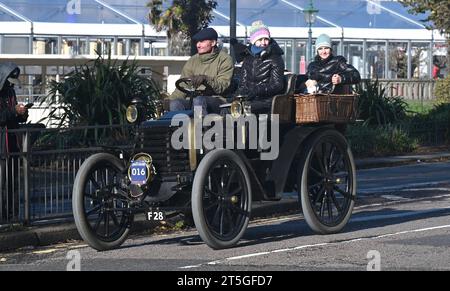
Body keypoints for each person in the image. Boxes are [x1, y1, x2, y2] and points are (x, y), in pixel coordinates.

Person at [169, 27, 234, 114]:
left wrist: (206, 79)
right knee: (175, 104)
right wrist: (169, 101)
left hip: (218, 100)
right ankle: (179, 127)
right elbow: (183, 86)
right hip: (194, 100)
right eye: (197, 42)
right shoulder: (193, 60)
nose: (198, 45)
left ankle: (201, 127)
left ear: (213, 43)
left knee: (199, 101)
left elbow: (222, 86)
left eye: (202, 41)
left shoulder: (225, 59)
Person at [236, 20, 285, 114]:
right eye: (260, 39)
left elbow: (277, 85)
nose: (263, 42)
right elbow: (242, 84)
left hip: (267, 100)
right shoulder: (248, 58)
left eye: (266, 39)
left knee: (244, 110)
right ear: (253, 41)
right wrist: (239, 95)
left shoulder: (275, 58)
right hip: (249, 98)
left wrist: (257, 90)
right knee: (227, 109)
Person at [0, 62, 29, 220]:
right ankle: (2, 217)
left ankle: (13, 215)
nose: (10, 86)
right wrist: (14, 111)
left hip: (13, 144)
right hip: (2, 146)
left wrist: (22, 113)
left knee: (13, 183)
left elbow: (11, 117)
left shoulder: (11, 93)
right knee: (2, 184)